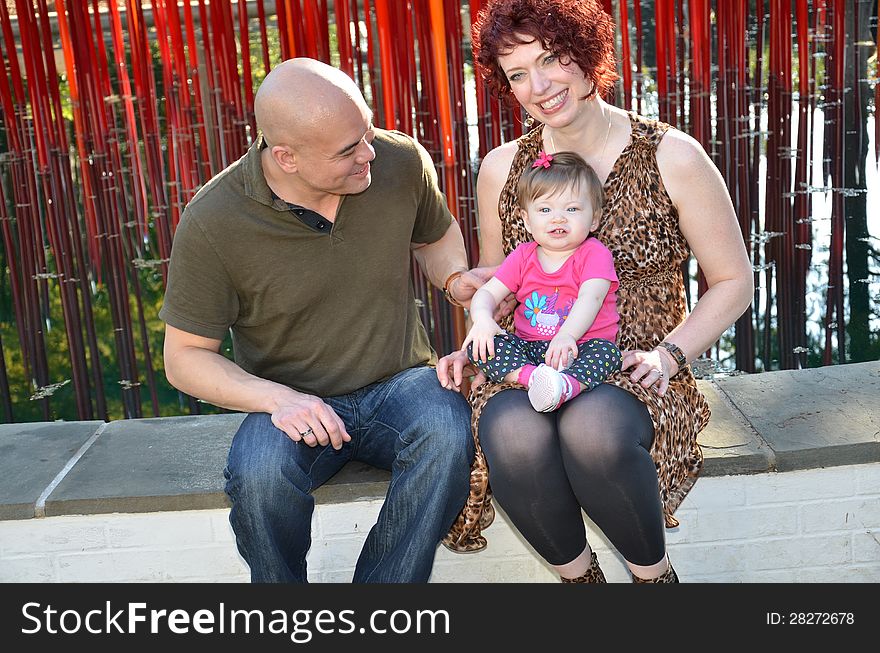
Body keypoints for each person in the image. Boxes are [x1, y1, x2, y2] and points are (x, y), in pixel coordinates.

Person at [438, 0, 754, 582]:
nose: (539, 86)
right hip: (531, 357)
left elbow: (734, 283)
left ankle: (655, 583)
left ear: (588, 52)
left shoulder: (672, 155)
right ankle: (584, 587)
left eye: (552, 59)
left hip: (637, 362)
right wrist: (477, 335)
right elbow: (500, 283)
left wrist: (672, 354)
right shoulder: (502, 169)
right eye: (517, 73)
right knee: (511, 431)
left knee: (594, 430)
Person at [159, 57, 486, 583]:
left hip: (400, 384)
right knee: (259, 474)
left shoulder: (397, 161)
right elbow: (184, 358)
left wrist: (453, 279)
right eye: (347, 150)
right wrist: (277, 399)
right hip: (290, 401)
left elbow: (434, 234)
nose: (368, 154)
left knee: (448, 429)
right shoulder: (213, 220)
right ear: (285, 157)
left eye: (366, 131)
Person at [460, 151, 621, 413]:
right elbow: (487, 293)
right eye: (545, 209)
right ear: (526, 219)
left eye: (572, 209)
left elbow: (590, 298)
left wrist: (566, 335)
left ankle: (567, 385)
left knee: (608, 355)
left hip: (581, 347)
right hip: (532, 350)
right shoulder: (523, 256)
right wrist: (482, 320)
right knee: (485, 347)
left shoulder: (594, 254)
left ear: (594, 219)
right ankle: (534, 380)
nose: (558, 218)